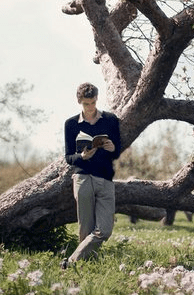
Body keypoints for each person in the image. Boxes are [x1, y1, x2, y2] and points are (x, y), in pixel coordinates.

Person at [63, 82, 121, 266]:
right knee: (85, 228)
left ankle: (71, 261)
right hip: (82, 178)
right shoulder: (71, 124)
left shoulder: (110, 120)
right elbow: (68, 157)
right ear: (79, 101)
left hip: (105, 179)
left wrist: (113, 148)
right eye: (86, 104)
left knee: (105, 230)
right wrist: (82, 156)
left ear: (97, 99)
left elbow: (117, 151)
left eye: (93, 102)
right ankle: (86, 266)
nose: (90, 107)